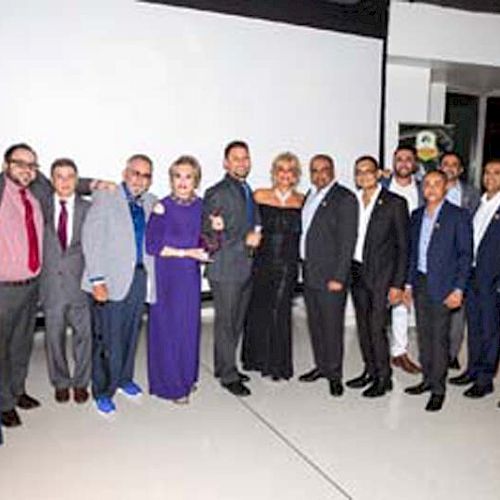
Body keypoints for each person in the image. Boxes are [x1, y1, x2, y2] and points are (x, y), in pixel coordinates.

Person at [82, 154, 157, 415]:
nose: (140, 179)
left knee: (130, 334)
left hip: (137, 279)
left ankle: (124, 378)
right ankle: (102, 391)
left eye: (146, 175)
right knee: (106, 339)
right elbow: (91, 238)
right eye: (135, 173)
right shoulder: (107, 196)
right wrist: (97, 279)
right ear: (125, 173)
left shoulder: (151, 202)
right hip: (108, 280)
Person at [146, 156, 221, 403]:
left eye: (188, 176)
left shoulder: (202, 206)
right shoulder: (162, 207)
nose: (183, 181)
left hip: (189, 276)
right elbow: (153, 246)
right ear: (171, 179)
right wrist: (187, 253)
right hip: (167, 275)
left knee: (188, 327)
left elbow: (209, 243)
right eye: (178, 176)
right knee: (168, 329)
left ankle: (187, 378)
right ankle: (172, 386)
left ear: (196, 180)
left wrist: (217, 231)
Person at [404, 170, 472, 412]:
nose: (431, 189)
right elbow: (412, 254)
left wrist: (458, 289)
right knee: (424, 336)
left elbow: (465, 256)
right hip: (421, 283)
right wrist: (409, 285)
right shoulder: (416, 215)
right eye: (427, 184)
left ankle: (438, 389)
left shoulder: (458, 216)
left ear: (445, 188)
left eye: (437, 184)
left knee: (439, 339)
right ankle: (427, 380)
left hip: (445, 287)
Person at [202, 141, 262, 397]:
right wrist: (243, 242)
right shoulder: (218, 191)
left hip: (245, 267)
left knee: (235, 322)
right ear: (226, 163)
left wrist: (256, 233)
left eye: (245, 158)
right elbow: (208, 235)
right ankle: (228, 375)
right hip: (226, 269)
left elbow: (250, 221)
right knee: (226, 324)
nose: (242, 163)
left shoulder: (245, 188)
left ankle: (225, 365)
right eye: (236, 158)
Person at [347, 156, 409, 398]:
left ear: (378, 174)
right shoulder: (353, 202)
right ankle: (369, 371)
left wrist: (398, 284)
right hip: (357, 272)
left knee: (376, 328)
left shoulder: (395, 203)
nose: (364, 176)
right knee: (363, 327)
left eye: (368, 171)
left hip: (383, 276)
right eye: (359, 172)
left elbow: (404, 247)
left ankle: (384, 378)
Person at [298, 154, 358, 397]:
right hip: (310, 272)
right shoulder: (310, 196)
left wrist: (339, 276)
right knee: (316, 325)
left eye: (324, 169)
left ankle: (335, 375)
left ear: (333, 171)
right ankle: (321, 367)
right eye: (314, 170)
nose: (319, 174)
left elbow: (347, 241)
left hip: (331, 276)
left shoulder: (344, 198)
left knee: (332, 327)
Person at [242, 152, 304, 381]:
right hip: (261, 262)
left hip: (288, 265)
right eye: (281, 170)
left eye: (290, 170)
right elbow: (246, 225)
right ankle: (255, 360)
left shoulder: (302, 200)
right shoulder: (259, 195)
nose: (285, 175)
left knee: (280, 312)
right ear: (274, 173)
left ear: (296, 175)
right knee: (258, 310)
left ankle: (277, 365)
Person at [40, 158, 91, 404]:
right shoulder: (41, 206)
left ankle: (81, 383)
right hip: (51, 285)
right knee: (54, 337)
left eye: (70, 176)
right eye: (59, 176)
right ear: (52, 180)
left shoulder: (88, 208)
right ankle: (60, 382)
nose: (65, 181)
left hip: (80, 284)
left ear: (77, 179)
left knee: (84, 336)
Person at [448, 160, 500, 399]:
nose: (490, 177)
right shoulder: (481, 203)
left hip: (493, 281)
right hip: (473, 275)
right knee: (475, 328)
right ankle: (472, 370)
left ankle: (485, 379)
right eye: (487, 172)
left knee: (491, 330)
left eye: (497, 173)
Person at [381, 145, 422, 374]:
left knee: (402, 304)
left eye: (408, 159)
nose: (404, 163)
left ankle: (400, 352)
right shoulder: (382, 185)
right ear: (393, 162)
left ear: (414, 164)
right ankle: (378, 353)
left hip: (412, 253)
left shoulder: (423, 189)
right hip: (383, 254)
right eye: (399, 159)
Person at [439, 151, 481, 370]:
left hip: (460, 259)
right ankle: (436, 351)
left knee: (457, 312)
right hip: (435, 259)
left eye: (454, 165)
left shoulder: (472, 194)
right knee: (435, 308)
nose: (449, 168)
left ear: (461, 170)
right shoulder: (428, 187)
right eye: (445, 164)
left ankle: (451, 354)